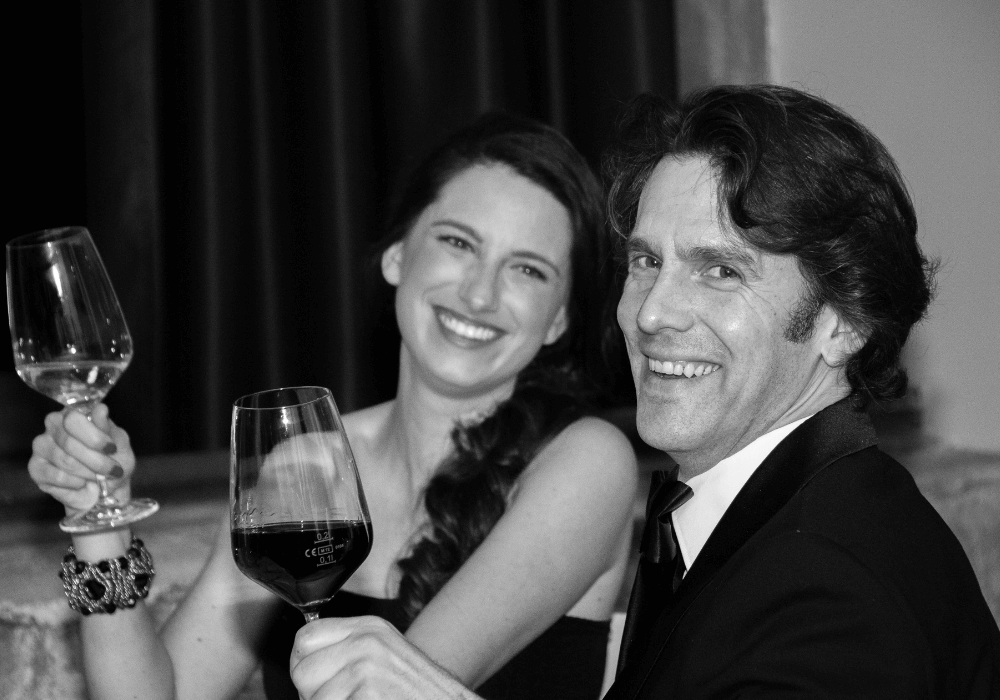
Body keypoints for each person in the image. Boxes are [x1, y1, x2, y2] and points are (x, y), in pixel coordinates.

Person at [285, 85, 1000, 699]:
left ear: (843, 322)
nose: (653, 313)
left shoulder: (833, 585)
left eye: (720, 271)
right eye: (646, 261)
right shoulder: (755, 517)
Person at [28, 112, 639, 700]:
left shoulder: (588, 463)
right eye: (458, 243)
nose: (480, 294)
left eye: (527, 270)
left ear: (559, 318)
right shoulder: (301, 466)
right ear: (397, 255)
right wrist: (100, 518)